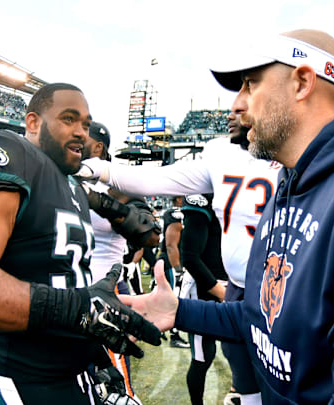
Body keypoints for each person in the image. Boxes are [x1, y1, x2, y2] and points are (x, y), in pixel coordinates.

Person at [119, 29, 334, 403]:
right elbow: (265, 320)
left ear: (302, 82)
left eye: (250, 84)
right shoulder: (290, 181)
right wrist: (180, 310)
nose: (237, 103)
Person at [0, 83, 160, 405]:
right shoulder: (14, 155)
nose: (82, 132)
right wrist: (78, 309)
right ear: (34, 123)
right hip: (27, 375)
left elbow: (67, 278)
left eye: (85, 124)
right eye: (69, 119)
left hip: (75, 371)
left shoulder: (75, 187)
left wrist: (93, 357)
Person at [82, 96, 281, 405]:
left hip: (282, 288)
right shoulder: (220, 154)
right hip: (239, 290)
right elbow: (157, 179)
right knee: (247, 385)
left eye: (252, 90)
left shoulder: (299, 155)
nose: (234, 108)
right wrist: (95, 169)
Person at [83, 121, 160, 405]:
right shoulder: (63, 177)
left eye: (82, 134)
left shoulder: (117, 183)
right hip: (66, 296)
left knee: (115, 388)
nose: (75, 138)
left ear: (98, 146)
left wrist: (101, 202)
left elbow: (150, 235)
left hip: (102, 296)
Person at [179, 193, 228, 405]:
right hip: (205, 288)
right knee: (203, 356)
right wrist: (220, 292)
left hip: (235, 284)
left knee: (242, 351)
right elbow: (189, 256)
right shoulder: (202, 198)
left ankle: (238, 391)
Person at [158, 196, 191, 349]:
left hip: (169, 261)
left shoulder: (174, 213)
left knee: (167, 297)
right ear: (178, 199)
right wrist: (178, 268)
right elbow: (171, 245)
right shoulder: (175, 214)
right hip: (172, 262)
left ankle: (160, 328)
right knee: (174, 298)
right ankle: (174, 336)